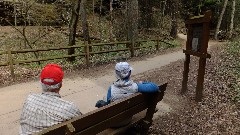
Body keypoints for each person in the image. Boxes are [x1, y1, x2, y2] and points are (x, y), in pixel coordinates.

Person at [19, 64, 82, 135]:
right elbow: (82, 124)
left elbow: (22, 123)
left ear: (41, 83)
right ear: (60, 84)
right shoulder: (69, 108)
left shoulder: (29, 100)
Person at [95, 62, 159, 126]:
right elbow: (155, 87)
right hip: (127, 119)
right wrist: (141, 83)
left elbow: (108, 105)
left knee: (105, 98)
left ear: (116, 74)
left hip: (113, 123)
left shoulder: (111, 88)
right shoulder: (136, 87)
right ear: (129, 73)